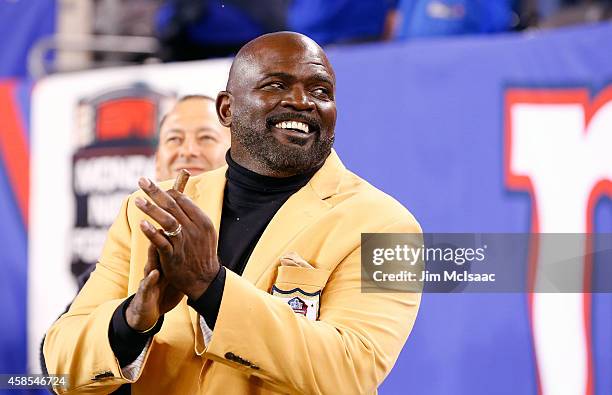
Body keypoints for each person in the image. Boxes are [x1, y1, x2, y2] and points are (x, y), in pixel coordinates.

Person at [43, 31, 422, 394]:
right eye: (276, 84)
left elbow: (352, 370)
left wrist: (212, 288)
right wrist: (131, 322)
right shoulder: (147, 213)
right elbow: (61, 366)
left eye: (320, 91)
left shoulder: (389, 227)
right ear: (227, 109)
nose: (303, 101)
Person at [155, 94, 231, 181]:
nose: (188, 152)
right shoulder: (137, 195)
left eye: (206, 137)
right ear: (157, 161)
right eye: (174, 138)